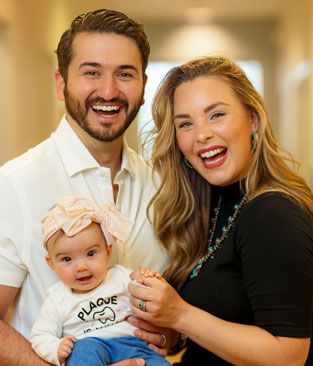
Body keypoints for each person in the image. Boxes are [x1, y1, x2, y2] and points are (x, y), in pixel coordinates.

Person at [0, 9, 169, 366]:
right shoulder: (14, 184)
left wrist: (172, 333)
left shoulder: (162, 185)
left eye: (125, 74)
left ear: (142, 86)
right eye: (91, 72)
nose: (109, 91)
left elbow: (177, 305)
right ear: (61, 84)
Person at [128, 55, 313, 365]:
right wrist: (175, 334)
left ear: (252, 119)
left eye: (216, 115)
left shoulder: (272, 213)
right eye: (185, 123)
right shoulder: (214, 203)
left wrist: (180, 316)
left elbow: (288, 355)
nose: (201, 134)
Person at [30, 196, 170, 366]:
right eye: (67, 259)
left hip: (134, 344)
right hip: (88, 346)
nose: (81, 267)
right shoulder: (56, 298)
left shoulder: (120, 276)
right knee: (82, 352)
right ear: (51, 263)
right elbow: (40, 336)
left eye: (90, 253)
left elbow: (146, 295)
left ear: (108, 251)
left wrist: (146, 279)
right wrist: (56, 347)